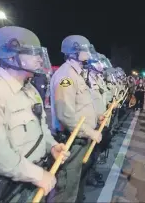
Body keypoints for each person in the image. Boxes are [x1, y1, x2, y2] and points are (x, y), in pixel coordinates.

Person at [0, 26, 70, 203]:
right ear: (11, 55)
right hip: (13, 188)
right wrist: (37, 175)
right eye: (32, 53)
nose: (39, 58)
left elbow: (41, 128)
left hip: (36, 179)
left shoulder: (30, 90)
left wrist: (51, 146)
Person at [50, 35, 104, 202]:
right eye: (84, 49)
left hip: (81, 137)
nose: (88, 53)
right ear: (74, 52)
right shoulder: (66, 76)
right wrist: (90, 132)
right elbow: (65, 113)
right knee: (67, 190)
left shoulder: (77, 74)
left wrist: (96, 117)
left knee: (76, 185)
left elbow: (82, 104)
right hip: (71, 141)